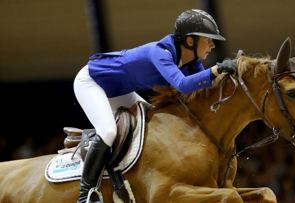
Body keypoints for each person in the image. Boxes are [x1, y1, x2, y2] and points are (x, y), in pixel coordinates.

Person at [73, 8, 237, 202]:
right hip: (91, 81)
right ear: (190, 41)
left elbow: (201, 92)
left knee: (154, 121)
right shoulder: (160, 53)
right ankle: (86, 194)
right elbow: (184, 85)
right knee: (108, 131)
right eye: (207, 39)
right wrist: (217, 69)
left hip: (119, 90)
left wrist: (227, 77)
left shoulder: (191, 61)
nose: (211, 45)